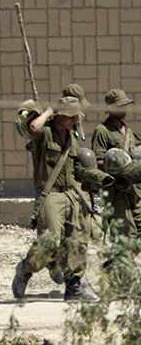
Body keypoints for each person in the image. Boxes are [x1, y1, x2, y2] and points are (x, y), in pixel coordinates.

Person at [12, 97, 111, 301]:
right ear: (60, 115)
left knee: (76, 241)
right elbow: (32, 126)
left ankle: (73, 287)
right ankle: (26, 269)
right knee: (49, 243)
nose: (76, 120)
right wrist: (49, 111)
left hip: (72, 193)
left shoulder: (71, 135)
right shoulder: (45, 134)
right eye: (72, 116)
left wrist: (98, 177)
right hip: (51, 195)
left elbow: (75, 168)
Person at [91, 89, 141, 242]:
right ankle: (116, 264)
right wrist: (118, 168)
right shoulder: (103, 131)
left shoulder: (128, 131)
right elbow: (98, 162)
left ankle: (115, 263)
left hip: (134, 191)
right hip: (116, 192)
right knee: (125, 236)